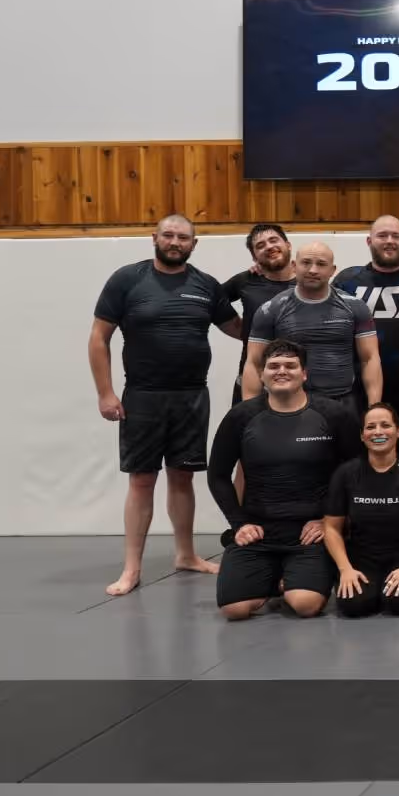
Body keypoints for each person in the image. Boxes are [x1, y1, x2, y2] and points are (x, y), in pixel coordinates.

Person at [89, 214, 242, 596]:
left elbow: (241, 329)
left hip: (192, 396)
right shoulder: (127, 280)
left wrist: (265, 287)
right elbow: (98, 338)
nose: (175, 242)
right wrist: (106, 393)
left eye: (183, 237)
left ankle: (186, 555)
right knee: (142, 480)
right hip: (143, 396)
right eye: (168, 235)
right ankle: (131, 568)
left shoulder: (205, 285)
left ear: (194, 244)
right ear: (154, 238)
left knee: (182, 476)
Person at [209, 340, 361, 619]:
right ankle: (274, 581)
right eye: (274, 366)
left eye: (290, 366)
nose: (281, 371)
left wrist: (330, 521)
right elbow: (217, 475)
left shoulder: (333, 414)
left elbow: (356, 472)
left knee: (305, 605)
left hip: (310, 531)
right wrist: (239, 524)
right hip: (259, 530)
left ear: (304, 374)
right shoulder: (241, 416)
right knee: (234, 610)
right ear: (262, 374)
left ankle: (290, 581)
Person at [324, 403, 399, 618]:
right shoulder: (346, 473)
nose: (378, 432)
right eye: (370, 427)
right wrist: (345, 569)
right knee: (354, 605)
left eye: (385, 425)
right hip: (363, 557)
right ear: (362, 436)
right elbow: (331, 528)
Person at [243, 241, 381, 415]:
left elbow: (370, 359)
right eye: (306, 263)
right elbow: (254, 364)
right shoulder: (271, 309)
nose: (313, 270)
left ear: (332, 270)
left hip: (342, 403)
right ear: (294, 266)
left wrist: (375, 409)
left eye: (321, 264)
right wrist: (248, 413)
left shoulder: (355, 307)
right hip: (288, 405)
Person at [334, 215, 399, 431]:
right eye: (382, 236)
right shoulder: (347, 281)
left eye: (396, 236)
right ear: (369, 241)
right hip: (362, 388)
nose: (389, 241)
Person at [222, 223, 296, 405]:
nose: (269, 247)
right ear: (254, 257)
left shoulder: (307, 281)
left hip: (297, 380)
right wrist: (241, 330)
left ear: (288, 245)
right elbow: (211, 303)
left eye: (273, 240)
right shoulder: (245, 281)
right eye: (260, 245)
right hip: (253, 379)